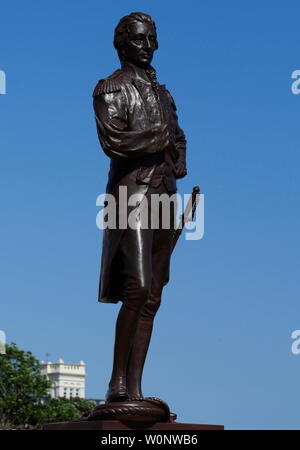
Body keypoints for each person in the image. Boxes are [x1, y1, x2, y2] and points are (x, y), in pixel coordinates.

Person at [93, 12, 187, 403]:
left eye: (151, 39)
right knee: (138, 285)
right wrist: (159, 137)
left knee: (153, 296)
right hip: (130, 196)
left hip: (165, 194)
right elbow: (114, 141)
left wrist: (179, 156)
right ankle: (117, 383)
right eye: (139, 39)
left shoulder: (164, 93)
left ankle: (135, 389)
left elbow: (179, 137)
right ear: (121, 44)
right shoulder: (110, 89)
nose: (147, 46)